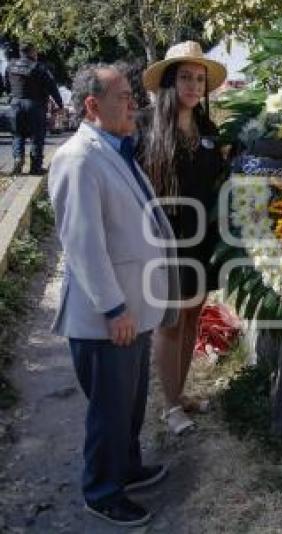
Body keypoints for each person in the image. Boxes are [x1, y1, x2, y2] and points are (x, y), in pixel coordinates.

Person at [47, 63, 179, 526]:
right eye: (124, 96)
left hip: (132, 308)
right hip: (109, 316)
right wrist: (113, 306)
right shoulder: (78, 158)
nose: (134, 105)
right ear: (92, 105)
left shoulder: (115, 150)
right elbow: (83, 243)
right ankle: (102, 491)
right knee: (110, 408)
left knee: (132, 399)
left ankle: (126, 467)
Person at [140, 41, 228, 435]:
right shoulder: (147, 128)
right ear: (169, 82)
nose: (193, 86)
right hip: (166, 238)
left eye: (199, 79)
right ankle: (169, 405)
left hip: (202, 237)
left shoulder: (208, 129)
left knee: (193, 315)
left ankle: (181, 394)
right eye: (185, 78)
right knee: (170, 322)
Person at [5, 43, 63, 175]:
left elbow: (6, 85)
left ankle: (18, 159)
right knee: (37, 136)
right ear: (32, 52)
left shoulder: (10, 66)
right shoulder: (39, 67)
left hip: (15, 104)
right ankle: (35, 167)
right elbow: (52, 87)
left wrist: (13, 96)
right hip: (35, 106)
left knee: (17, 134)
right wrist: (60, 104)